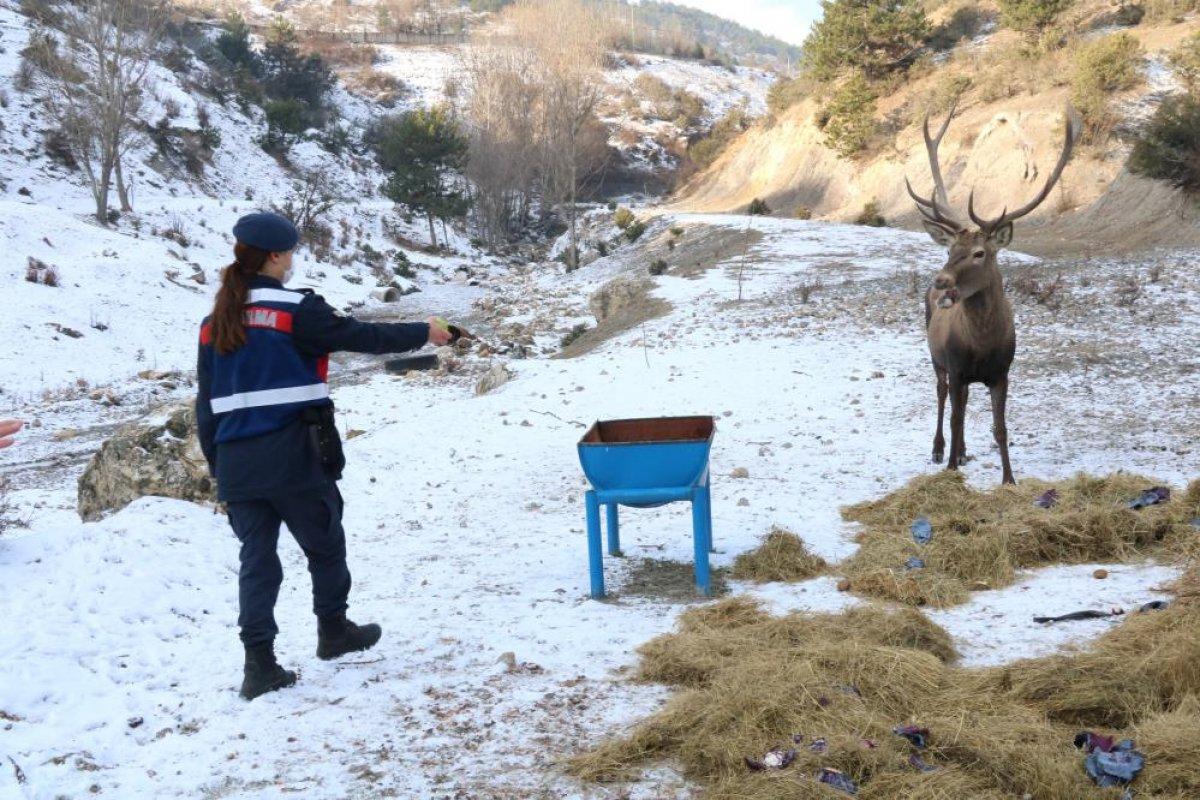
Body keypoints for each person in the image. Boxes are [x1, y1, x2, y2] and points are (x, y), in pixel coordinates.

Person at [196, 212, 453, 701]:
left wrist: (218, 468)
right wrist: (426, 330)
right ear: (274, 256)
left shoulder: (215, 322)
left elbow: (205, 404)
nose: (292, 260)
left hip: (237, 463)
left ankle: (259, 666)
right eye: (290, 252)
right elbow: (364, 338)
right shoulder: (297, 311)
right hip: (294, 454)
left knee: (257, 562)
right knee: (325, 544)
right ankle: (333, 632)